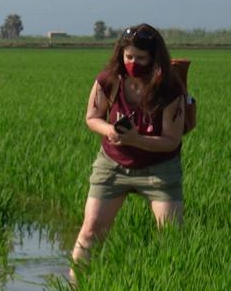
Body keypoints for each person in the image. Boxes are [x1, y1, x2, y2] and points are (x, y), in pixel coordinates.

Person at [70, 22, 186, 276]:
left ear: (154, 58)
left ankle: (170, 288)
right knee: (90, 230)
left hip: (159, 168)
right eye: (128, 56)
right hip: (113, 164)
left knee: (172, 238)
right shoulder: (108, 80)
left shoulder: (169, 88)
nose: (133, 62)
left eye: (141, 58)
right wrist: (109, 130)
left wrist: (135, 140)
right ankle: (73, 290)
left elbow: (171, 141)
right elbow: (92, 117)